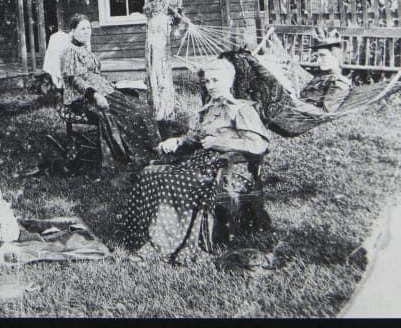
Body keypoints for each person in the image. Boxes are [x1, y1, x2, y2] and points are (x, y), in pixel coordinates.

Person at [122, 56, 271, 263]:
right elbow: (196, 137)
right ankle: (139, 237)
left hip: (229, 169)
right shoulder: (209, 108)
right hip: (201, 163)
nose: (210, 86)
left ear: (229, 80)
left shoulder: (242, 109)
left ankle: (162, 246)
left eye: (215, 80)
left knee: (172, 181)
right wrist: (178, 141)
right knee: (150, 173)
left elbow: (259, 145)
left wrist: (220, 142)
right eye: (207, 81)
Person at [59, 14, 159, 167]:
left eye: (88, 28)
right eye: (82, 29)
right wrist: (95, 95)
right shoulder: (69, 51)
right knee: (129, 113)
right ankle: (133, 154)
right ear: (73, 31)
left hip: (105, 91)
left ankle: (153, 149)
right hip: (84, 98)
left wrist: (112, 85)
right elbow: (75, 80)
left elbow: (95, 75)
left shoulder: (84, 49)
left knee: (142, 108)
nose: (86, 32)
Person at [299, 33, 352, 113]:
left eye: (322, 56)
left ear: (335, 56)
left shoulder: (338, 83)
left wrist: (296, 104)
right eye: (317, 57)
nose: (318, 60)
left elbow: (325, 113)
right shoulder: (321, 76)